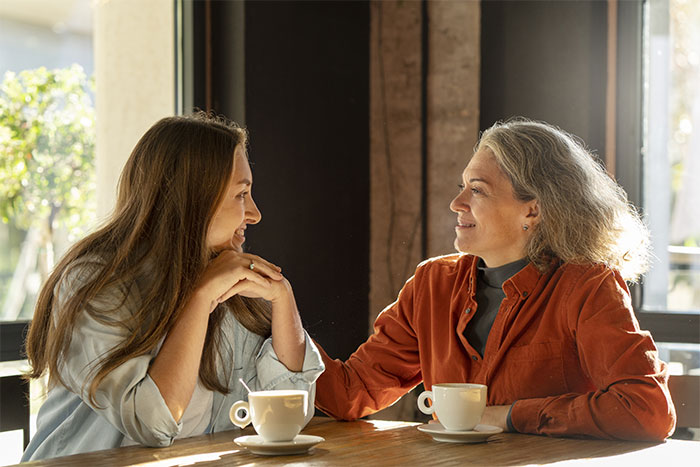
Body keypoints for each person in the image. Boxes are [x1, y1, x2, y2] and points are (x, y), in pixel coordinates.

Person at [315, 118, 676, 441]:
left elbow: (647, 409)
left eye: (477, 189)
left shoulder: (588, 285)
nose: (457, 203)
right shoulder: (432, 284)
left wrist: (509, 416)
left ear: (531, 210)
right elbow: (350, 394)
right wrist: (278, 310)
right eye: (462, 186)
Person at [21, 112, 324, 461]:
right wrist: (200, 299)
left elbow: (292, 417)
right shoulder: (94, 284)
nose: (254, 213)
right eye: (242, 194)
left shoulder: (230, 287)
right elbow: (152, 423)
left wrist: (283, 298)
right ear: (194, 197)